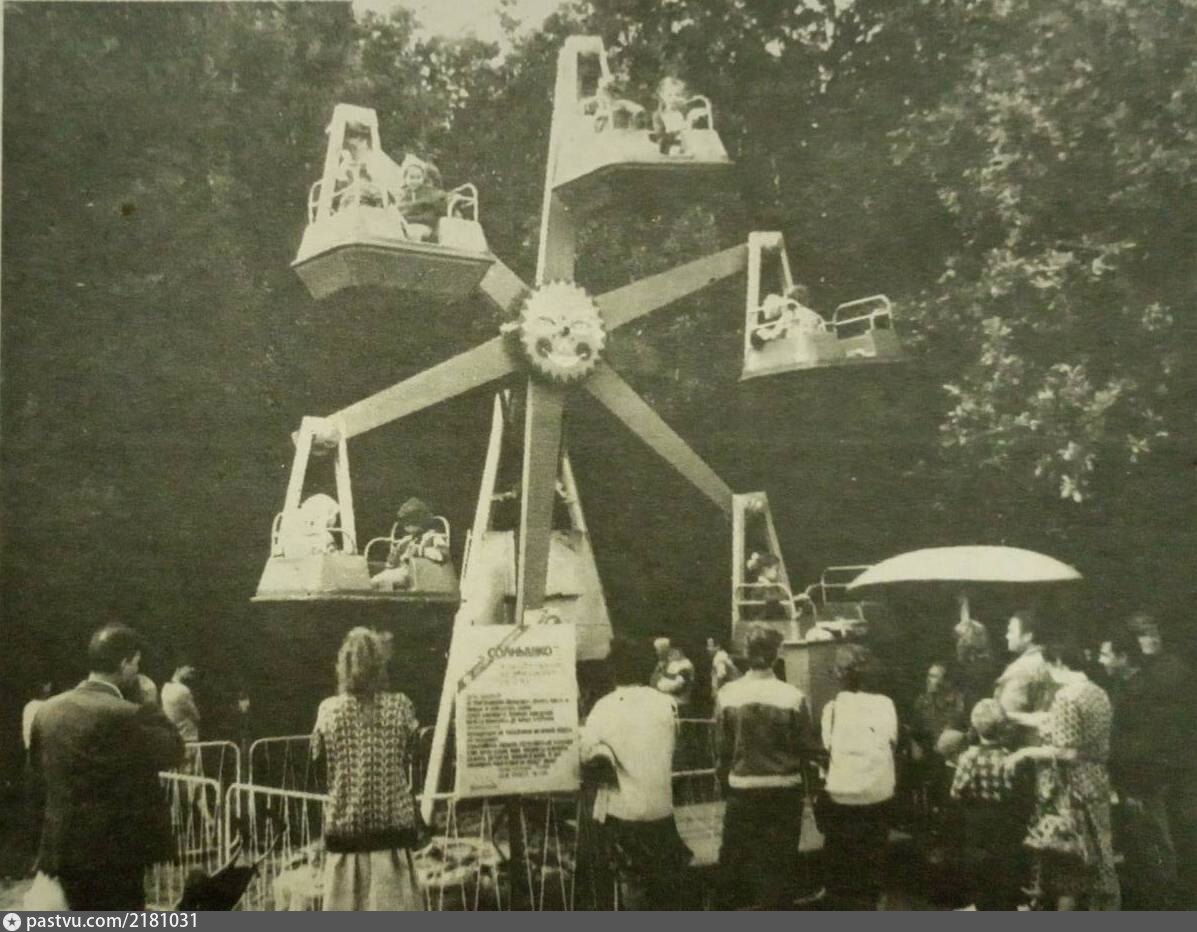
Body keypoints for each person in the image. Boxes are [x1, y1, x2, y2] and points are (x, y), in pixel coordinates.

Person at [29, 624, 184, 909]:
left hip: (61, 852)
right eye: (136, 663)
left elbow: (37, 778)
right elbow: (173, 751)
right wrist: (150, 702)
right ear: (125, 663)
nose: (137, 671)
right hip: (115, 856)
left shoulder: (47, 711)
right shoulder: (127, 714)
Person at [311, 627, 423, 911]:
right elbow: (412, 755)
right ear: (380, 664)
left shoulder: (328, 710)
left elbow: (318, 766)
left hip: (346, 831)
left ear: (343, 664)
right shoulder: (401, 706)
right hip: (391, 832)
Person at [1004, 640, 1120, 910]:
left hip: (1071, 790)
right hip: (1096, 782)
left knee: (1068, 866)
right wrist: (1023, 717)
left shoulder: (1066, 697)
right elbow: (1071, 729)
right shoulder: (1097, 692)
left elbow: (1067, 751)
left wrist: (1025, 752)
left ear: (1057, 663)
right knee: (1100, 859)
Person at [714, 624, 821, 909]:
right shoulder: (793, 697)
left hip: (742, 789)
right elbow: (806, 747)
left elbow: (722, 749)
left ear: (746, 653)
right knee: (780, 864)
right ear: (776, 655)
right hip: (784, 791)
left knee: (734, 859)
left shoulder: (727, 695)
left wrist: (726, 782)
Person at [581, 637, 692, 909]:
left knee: (624, 880)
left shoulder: (604, 707)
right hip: (661, 811)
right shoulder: (666, 704)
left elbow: (586, 754)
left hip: (625, 815)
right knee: (664, 891)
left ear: (613, 670)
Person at [1124, 613, 1196, 907]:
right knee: (1175, 830)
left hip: (1166, 764)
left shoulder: (1159, 674)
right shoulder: (1166, 669)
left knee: (1164, 832)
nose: (1150, 639)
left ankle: (1170, 895)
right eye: (1143, 634)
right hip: (1174, 761)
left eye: (1152, 632)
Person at [1099, 630, 1176, 907]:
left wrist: (1134, 786)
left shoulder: (1142, 691)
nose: (1101, 660)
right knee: (1141, 843)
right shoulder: (1124, 686)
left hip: (1142, 782)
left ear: (1123, 657)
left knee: (1153, 841)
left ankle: (1164, 903)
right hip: (1130, 781)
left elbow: (1146, 744)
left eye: (1106, 654)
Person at [819, 644, 898, 909]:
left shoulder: (832, 709)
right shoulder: (886, 704)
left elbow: (828, 747)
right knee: (874, 843)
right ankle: (875, 895)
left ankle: (839, 894)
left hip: (842, 792)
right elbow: (892, 744)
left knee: (839, 843)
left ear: (839, 676)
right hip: (878, 790)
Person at [949, 699, 1032, 910]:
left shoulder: (969, 758)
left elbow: (956, 791)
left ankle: (982, 906)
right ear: (1002, 728)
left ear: (975, 727)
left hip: (976, 818)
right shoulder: (1010, 758)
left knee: (979, 867)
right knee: (1003, 866)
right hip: (1004, 819)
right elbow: (1019, 793)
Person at [909, 662, 966, 821]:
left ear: (946, 681)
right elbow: (914, 730)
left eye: (934, 676)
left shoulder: (958, 701)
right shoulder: (922, 700)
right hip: (929, 752)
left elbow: (959, 729)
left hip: (950, 754)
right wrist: (916, 747)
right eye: (928, 676)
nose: (928, 680)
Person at [994, 608, 1057, 745]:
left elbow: (1005, 714)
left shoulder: (1020, 668)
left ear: (1028, 636)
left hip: (1025, 743)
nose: (1007, 636)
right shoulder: (1050, 661)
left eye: (1011, 631)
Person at [371, 497, 449, 591]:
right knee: (378, 580)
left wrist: (421, 551)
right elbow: (392, 563)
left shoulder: (433, 536)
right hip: (403, 571)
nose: (406, 526)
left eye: (410, 521)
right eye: (405, 522)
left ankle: (385, 594)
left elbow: (443, 555)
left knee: (378, 581)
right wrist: (392, 559)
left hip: (418, 574)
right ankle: (387, 595)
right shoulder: (406, 540)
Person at [396, 156, 446, 242]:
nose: (415, 181)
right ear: (405, 179)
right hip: (406, 224)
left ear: (423, 178)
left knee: (415, 233)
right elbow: (400, 209)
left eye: (418, 178)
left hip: (423, 224)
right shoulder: (403, 194)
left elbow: (431, 215)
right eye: (412, 178)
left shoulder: (428, 193)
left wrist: (409, 218)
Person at [649, 637, 695, 714]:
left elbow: (677, 685)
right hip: (667, 702)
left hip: (679, 703)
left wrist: (659, 683)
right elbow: (653, 680)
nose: (670, 655)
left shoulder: (686, 665)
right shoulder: (671, 664)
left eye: (672, 652)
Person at [741, 552, 791, 621]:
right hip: (761, 619)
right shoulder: (760, 585)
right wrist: (785, 596)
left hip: (766, 617)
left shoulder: (768, 584)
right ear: (765, 569)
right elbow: (770, 598)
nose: (777, 573)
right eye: (776, 569)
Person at [161, 664, 201, 743]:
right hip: (188, 737)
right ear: (178, 669)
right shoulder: (183, 690)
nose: (192, 669)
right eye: (188, 666)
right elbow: (196, 716)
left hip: (174, 736)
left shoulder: (165, 688)